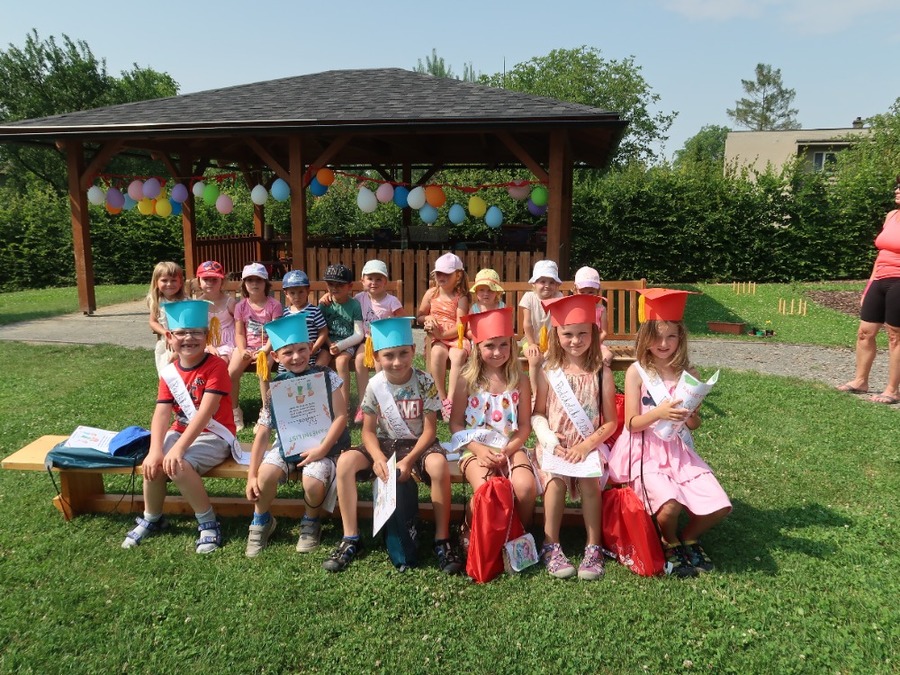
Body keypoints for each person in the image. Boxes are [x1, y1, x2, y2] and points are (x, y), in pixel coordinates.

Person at [608, 288, 732, 578]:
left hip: (676, 450)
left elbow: (694, 424)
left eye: (671, 336)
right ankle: (669, 540)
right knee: (670, 506)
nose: (663, 344)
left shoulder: (689, 373)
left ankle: (688, 538)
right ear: (645, 337)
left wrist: (691, 415)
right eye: (657, 336)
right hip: (644, 450)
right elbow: (631, 423)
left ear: (681, 338)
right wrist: (660, 413)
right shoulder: (637, 372)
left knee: (721, 506)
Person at [324, 317, 462, 574]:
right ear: (376, 356)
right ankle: (350, 537)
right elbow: (367, 431)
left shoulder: (425, 382)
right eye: (389, 355)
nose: (397, 362)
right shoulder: (375, 385)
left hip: (418, 445)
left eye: (403, 353)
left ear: (414, 350)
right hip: (385, 444)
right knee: (345, 462)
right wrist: (377, 457)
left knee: (438, 465)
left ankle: (442, 539)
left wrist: (409, 460)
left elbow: (430, 430)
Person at [122, 299, 238, 553]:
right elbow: (162, 412)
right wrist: (155, 450)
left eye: (196, 332)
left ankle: (208, 522)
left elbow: (206, 413)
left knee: (178, 465)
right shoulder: (170, 372)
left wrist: (177, 449)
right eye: (182, 333)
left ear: (207, 335)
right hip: (181, 431)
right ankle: (152, 517)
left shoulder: (217, 367)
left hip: (215, 434)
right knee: (154, 464)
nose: (189, 338)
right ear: (170, 337)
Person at [244, 313, 350, 557]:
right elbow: (263, 431)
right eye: (288, 352)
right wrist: (251, 474)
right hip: (287, 443)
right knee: (265, 474)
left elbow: (341, 417)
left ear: (311, 347)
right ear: (275, 356)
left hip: (324, 445)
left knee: (312, 480)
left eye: (302, 349)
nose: (296, 357)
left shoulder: (327, 377)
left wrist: (322, 450)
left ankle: (311, 521)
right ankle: (261, 520)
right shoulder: (276, 388)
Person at [531, 294, 618, 581]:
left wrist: (586, 446)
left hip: (588, 446)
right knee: (555, 481)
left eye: (583, 333)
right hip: (555, 447)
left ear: (593, 332)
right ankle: (550, 544)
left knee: (590, 481)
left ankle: (593, 546)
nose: (575, 341)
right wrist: (548, 438)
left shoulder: (601, 373)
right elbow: (538, 413)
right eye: (567, 334)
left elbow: (611, 422)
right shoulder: (548, 371)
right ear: (556, 334)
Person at [449, 307, 536, 553]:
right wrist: (477, 449)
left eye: (503, 345)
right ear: (477, 347)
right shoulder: (466, 380)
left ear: (512, 345)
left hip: (510, 447)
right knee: (486, 490)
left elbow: (525, 425)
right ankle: (470, 526)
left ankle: (519, 533)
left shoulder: (520, 380)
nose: (497, 352)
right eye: (489, 346)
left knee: (525, 487)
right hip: (475, 449)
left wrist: (509, 449)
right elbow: (455, 424)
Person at [838, 180, 900, 404]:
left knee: (895, 336)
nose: (897, 190)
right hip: (880, 279)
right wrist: (869, 286)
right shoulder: (891, 215)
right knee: (865, 332)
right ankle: (860, 381)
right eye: (897, 186)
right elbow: (881, 253)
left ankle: (892, 390)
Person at [416, 253, 471, 420]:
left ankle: (451, 400)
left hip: (455, 336)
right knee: (437, 352)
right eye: (438, 273)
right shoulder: (431, 294)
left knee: (458, 354)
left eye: (446, 273)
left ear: (458, 275)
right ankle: (441, 398)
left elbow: (461, 325)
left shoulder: (461, 297)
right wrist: (428, 318)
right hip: (436, 338)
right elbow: (419, 316)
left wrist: (443, 334)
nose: (441, 277)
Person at [229, 263, 283, 430]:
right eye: (250, 280)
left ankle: (266, 412)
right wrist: (242, 350)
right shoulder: (241, 306)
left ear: (265, 283)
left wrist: (265, 350)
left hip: (268, 347)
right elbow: (239, 333)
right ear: (244, 284)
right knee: (231, 373)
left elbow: (275, 333)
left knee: (263, 371)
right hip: (247, 347)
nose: (254, 284)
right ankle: (234, 411)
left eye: (258, 280)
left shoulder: (274, 305)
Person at [351, 260, 403, 423]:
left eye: (379, 279)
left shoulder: (391, 301)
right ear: (362, 281)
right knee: (360, 360)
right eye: (370, 278)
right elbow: (342, 301)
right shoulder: (359, 298)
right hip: (366, 342)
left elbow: (402, 321)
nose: (374, 282)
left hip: (386, 341)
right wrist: (327, 296)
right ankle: (363, 403)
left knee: (380, 363)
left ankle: (383, 403)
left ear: (385, 282)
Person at [319, 263, 365, 409]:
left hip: (347, 344)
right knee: (318, 365)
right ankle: (320, 405)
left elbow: (359, 334)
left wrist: (340, 346)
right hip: (327, 343)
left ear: (349, 286)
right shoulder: (324, 304)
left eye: (340, 285)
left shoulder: (354, 305)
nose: (334, 288)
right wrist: (329, 344)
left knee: (341, 362)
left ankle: (343, 408)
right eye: (331, 284)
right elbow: (321, 328)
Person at [519, 259, 564, 394]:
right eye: (542, 281)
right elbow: (527, 323)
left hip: (552, 341)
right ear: (534, 283)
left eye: (551, 282)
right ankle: (535, 393)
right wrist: (532, 343)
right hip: (531, 340)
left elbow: (558, 323)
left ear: (556, 285)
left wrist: (552, 345)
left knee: (554, 358)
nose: (547, 286)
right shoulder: (529, 297)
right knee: (534, 359)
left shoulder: (558, 297)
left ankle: (553, 393)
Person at [280, 269, 329, 367]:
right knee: (284, 370)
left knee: (309, 372)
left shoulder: (314, 311)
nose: (297, 297)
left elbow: (323, 332)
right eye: (292, 293)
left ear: (308, 291)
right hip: (292, 356)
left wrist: (314, 348)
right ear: (286, 294)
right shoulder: (285, 313)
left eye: (301, 292)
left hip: (310, 355)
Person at [147, 261, 188, 375]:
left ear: (180, 283)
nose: (169, 284)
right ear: (156, 282)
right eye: (164, 280)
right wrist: (165, 333)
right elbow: (153, 322)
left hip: (184, 343)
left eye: (173, 280)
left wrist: (178, 349)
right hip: (166, 344)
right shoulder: (157, 301)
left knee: (183, 375)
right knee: (166, 375)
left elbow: (189, 326)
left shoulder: (185, 302)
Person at [195, 260, 237, 364]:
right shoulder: (198, 304)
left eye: (214, 280)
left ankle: (223, 375)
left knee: (221, 360)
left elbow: (239, 323)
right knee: (201, 360)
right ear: (199, 282)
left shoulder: (229, 302)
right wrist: (208, 345)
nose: (210, 283)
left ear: (222, 282)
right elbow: (197, 328)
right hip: (206, 342)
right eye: (205, 279)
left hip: (227, 342)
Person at [573, 266, 614, 367]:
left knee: (607, 355)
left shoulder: (601, 309)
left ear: (598, 291)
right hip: (577, 344)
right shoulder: (574, 309)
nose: (586, 295)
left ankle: (599, 374)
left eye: (591, 292)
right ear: (575, 291)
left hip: (596, 345)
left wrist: (594, 343)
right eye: (582, 292)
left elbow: (604, 332)